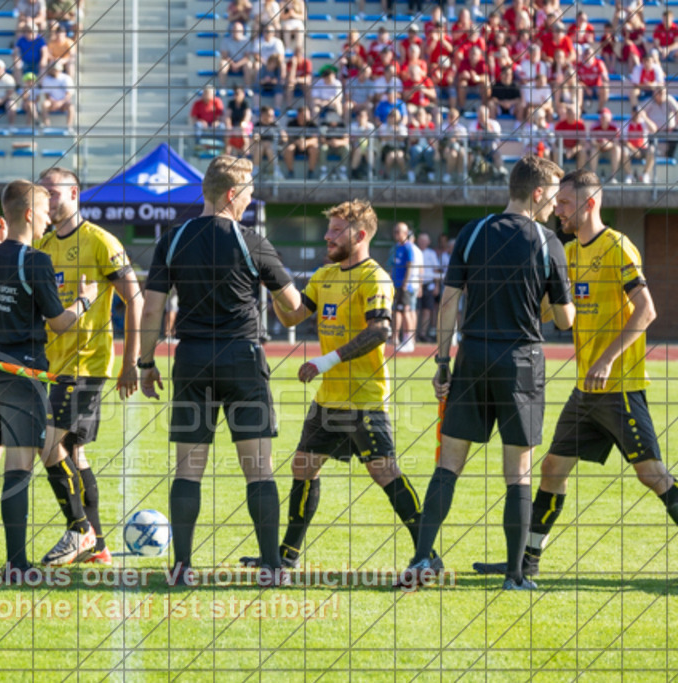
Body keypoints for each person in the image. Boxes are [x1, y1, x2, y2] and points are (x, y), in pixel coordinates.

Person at [473, 169, 678, 579]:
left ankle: (523, 561)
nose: (557, 210)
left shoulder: (618, 247)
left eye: (564, 203)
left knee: (651, 475)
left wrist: (605, 360)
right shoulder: (567, 253)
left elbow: (647, 310)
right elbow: (553, 311)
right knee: (552, 469)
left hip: (619, 386)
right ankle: (523, 563)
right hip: (585, 391)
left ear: (589, 203)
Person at [399, 155, 575, 591]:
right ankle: (515, 577)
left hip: (472, 356)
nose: (555, 205)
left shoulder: (473, 232)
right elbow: (566, 319)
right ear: (537, 193)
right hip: (522, 363)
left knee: (448, 465)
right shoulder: (548, 241)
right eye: (553, 195)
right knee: (518, 472)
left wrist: (442, 362)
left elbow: (447, 303)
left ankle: (422, 560)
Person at [239, 200, 435, 570]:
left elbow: (381, 330)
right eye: (328, 228)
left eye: (335, 230)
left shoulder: (373, 277)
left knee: (384, 472)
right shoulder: (324, 276)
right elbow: (295, 314)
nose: (327, 236)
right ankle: (286, 556)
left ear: (360, 235)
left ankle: (427, 556)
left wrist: (325, 361)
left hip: (364, 397)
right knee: (303, 467)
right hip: (328, 399)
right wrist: (272, 284)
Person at [138, 155, 301, 586]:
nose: (251, 199)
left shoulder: (172, 240)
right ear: (232, 194)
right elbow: (293, 307)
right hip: (243, 360)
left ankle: (181, 567)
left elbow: (152, 307)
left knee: (188, 470)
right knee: (259, 471)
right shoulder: (253, 241)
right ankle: (271, 569)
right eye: (248, 192)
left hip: (191, 361)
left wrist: (145, 362)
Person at [0, 180, 97, 576]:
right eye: (43, 211)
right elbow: (58, 322)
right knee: (18, 469)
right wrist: (85, 300)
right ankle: (17, 564)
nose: (48, 219)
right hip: (25, 373)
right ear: (26, 214)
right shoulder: (36, 261)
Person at [36, 166, 144, 566]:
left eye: (54, 193)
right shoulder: (45, 244)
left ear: (75, 193)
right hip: (55, 365)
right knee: (73, 453)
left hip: (86, 365)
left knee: (47, 445)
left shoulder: (100, 241)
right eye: (42, 193)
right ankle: (97, 547)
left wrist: (132, 360)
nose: (48, 200)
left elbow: (136, 299)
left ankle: (80, 531)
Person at [389, 222, 417, 352]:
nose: (395, 234)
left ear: (405, 233)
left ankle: (409, 340)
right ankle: (397, 338)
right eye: (394, 231)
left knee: (406, 311)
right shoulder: (396, 247)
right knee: (397, 311)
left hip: (404, 286)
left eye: (398, 232)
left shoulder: (408, 247)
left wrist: (406, 283)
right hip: (395, 284)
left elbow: (410, 265)